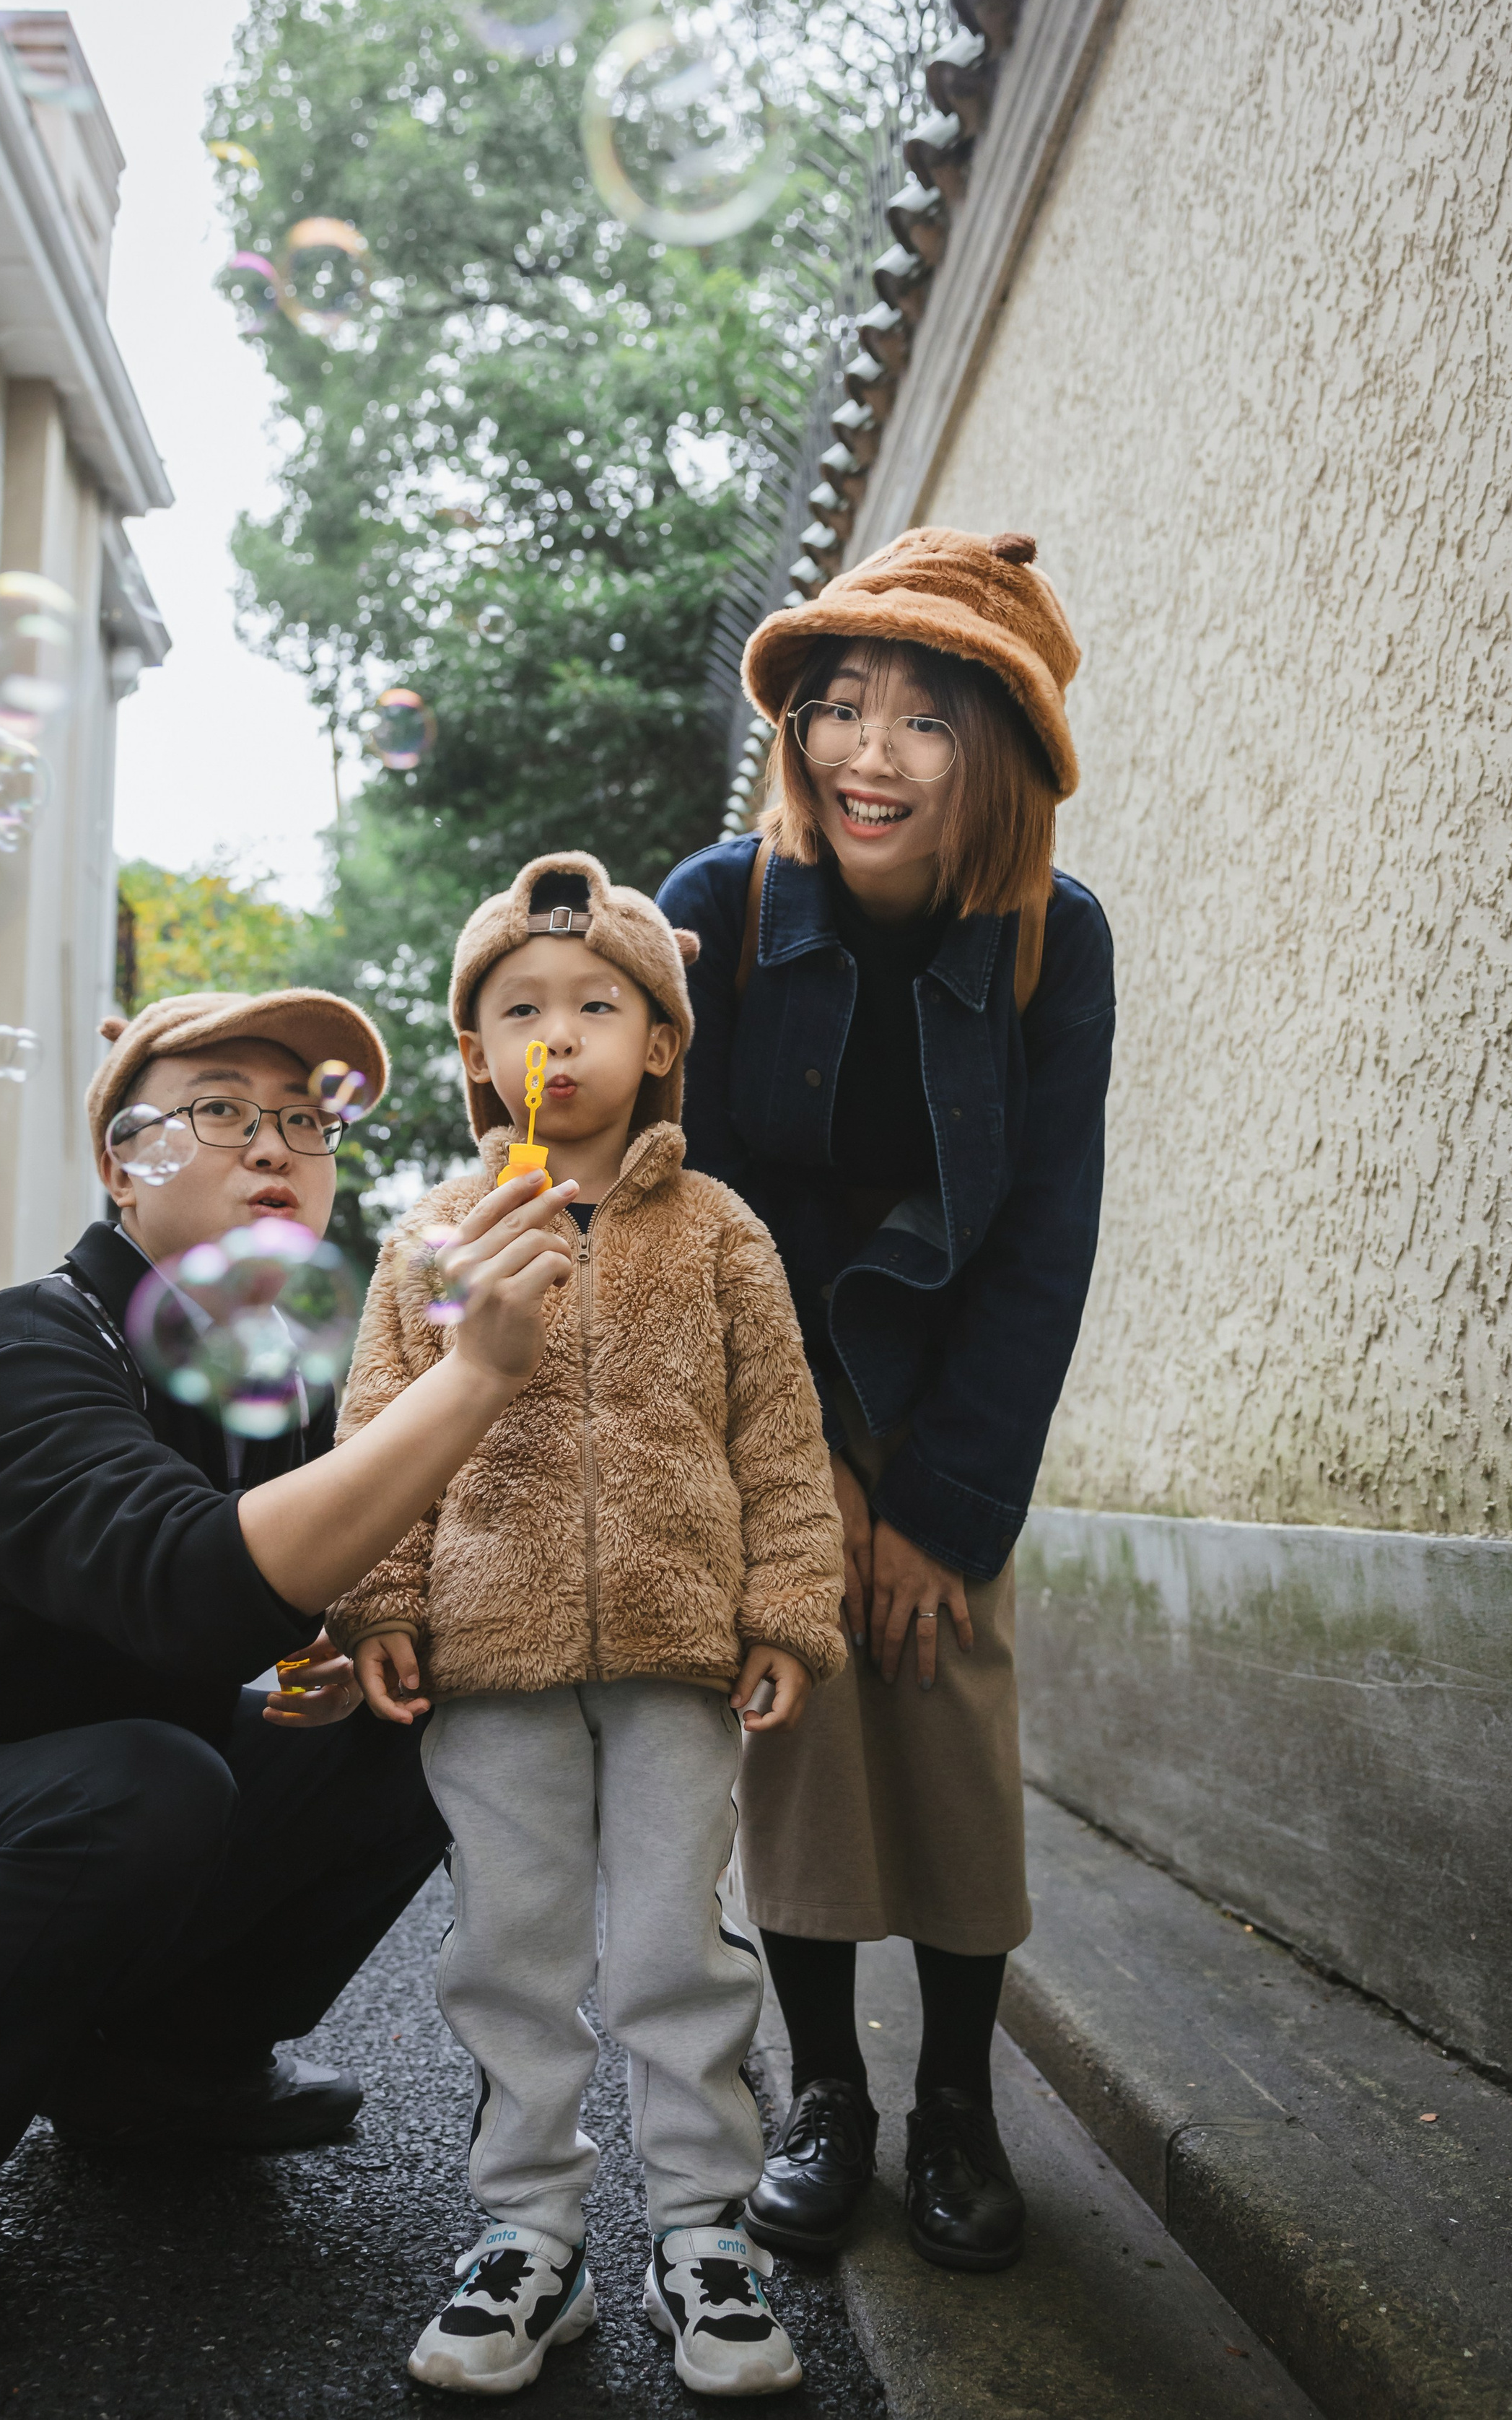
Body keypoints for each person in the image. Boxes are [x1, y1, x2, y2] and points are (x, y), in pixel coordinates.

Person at [0, 985, 582, 2370]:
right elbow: (186, 1586)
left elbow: (321, 1594)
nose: (275, 1143)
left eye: (306, 1117)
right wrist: (473, 1376)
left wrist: (356, 1653)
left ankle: (159, 2070)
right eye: (222, 1109)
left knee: (430, 1686)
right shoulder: (27, 1343)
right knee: (148, 1778)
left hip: (76, 1840)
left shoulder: (278, 1385)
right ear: (121, 1163)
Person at [326, 853, 847, 2398]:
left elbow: (779, 1436)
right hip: (488, 1657)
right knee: (509, 1944)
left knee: (672, 1948)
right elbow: (378, 1421)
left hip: (683, 1654)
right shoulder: (434, 1234)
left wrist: (787, 1611)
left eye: (595, 1004)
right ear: (474, 1053)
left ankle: (701, 2234)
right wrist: (379, 1597)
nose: (556, 1035)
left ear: (662, 1039)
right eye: (517, 1010)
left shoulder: (719, 1233)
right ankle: (526, 2241)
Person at [657, 529, 1114, 2273]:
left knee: (941, 1716)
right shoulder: (717, 907)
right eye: (835, 708)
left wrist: (932, 1507)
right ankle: (829, 2093)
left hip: (946, 1401)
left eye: (921, 719)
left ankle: (955, 2111)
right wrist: (804, 1478)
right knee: (801, 1730)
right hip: (757, 1378)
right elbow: (683, 1200)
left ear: (994, 751)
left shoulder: (1049, 946)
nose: (865, 751)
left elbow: (1043, 1238)